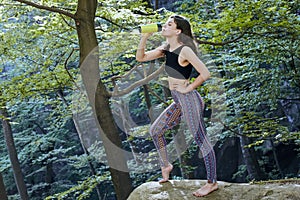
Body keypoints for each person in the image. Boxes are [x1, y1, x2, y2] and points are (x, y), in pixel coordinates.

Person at [136, 15, 218, 197]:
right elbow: (141, 57)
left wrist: (188, 87)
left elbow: (205, 73)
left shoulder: (185, 50)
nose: (164, 27)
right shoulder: (167, 48)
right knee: (155, 131)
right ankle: (166, 166)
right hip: (179, 101)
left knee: (200, 139)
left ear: (178, 31)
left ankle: (212, 183)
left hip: (189, 100)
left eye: (169, 24)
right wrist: (144, 37)